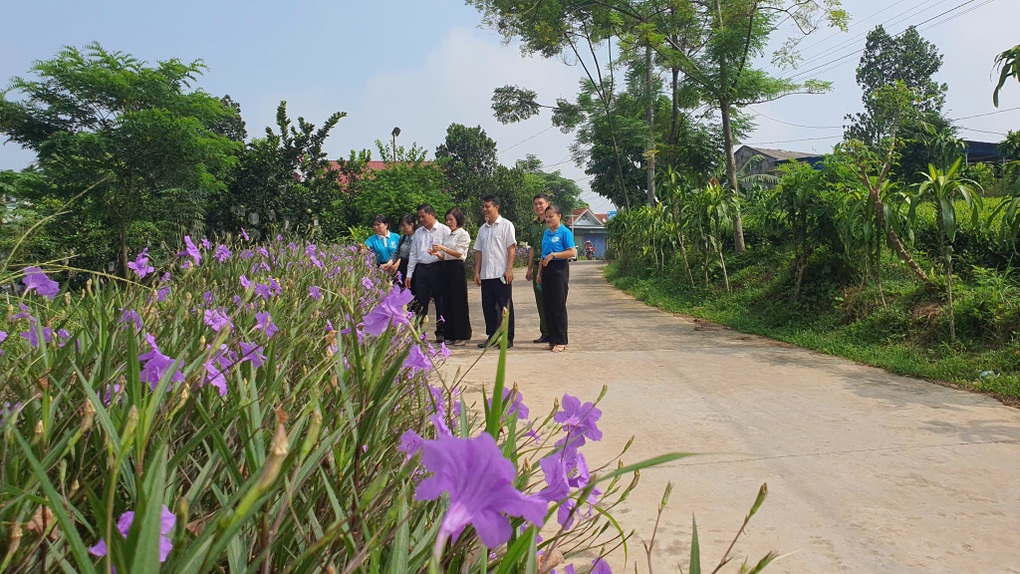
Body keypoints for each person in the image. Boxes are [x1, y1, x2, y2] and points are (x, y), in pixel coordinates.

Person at [473, 195, 517, 348]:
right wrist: (477, 272)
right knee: (488, 307)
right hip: (486, 274)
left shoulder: (506, 225)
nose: (485, 209)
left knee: (505, 306)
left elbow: (511, 248)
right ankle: (491, 336)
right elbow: (479, 252)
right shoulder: (482, 229)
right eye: (483, 206)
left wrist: (509, 269)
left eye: (488, 206)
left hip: (501, 274)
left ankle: (507, 338)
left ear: (496, 207)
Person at [406, 204, 450, 342]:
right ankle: (420, 332)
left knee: (440, 301)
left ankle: (441, 332)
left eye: (423, 216)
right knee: (420, 302)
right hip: (422, 270)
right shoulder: (418, 233)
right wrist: (409, 274)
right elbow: (413, 254)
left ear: (431, 215)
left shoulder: (444, 230)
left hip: (438, 268)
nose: (420, 219)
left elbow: (449, 250)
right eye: (419, 217)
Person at [537, 204, 576, 353]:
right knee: (548, 306)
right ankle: (552, 340)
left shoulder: (565, 232)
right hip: (546, 269)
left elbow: (572, 252)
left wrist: (554, 255)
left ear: (559, 216)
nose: (548, 219)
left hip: (559, 269)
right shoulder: (546, 233)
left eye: (551, 216)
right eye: (546, 217)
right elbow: (543, 255)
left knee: (558, 305)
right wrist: (539, 273)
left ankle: (561, 340)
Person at [430, 207, 472, 345]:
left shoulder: (463, 234)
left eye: (451, 219)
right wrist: (437, 253)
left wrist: (443, 248)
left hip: (457, 268)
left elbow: (459, 253)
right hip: (446, 267)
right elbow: (445, 256)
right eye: (447, 220)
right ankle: (451, 334)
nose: (448, 222)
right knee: (447, 301)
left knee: (459, 301)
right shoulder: (448, 236)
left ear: (458, 219)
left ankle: (462, 335)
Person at [525, 193, 551, 344]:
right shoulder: (533, 226)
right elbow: (532, 248)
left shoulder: (552, 223)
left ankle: (554, 332)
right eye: (535, 204)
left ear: (548, 204)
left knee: (552, 300)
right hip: (536, 267)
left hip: (550, 266)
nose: (538, 206)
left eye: (541, 203)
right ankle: (545, 332)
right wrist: (529, 269)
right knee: (540, 300)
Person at [382, 214, 416, 285]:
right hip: (402, 267)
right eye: (401, 226)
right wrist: (389, 264)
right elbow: (397, 253)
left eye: (404, 226)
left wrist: (398, 263)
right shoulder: (402, 238)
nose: (402, 228)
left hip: (414, 268)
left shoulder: (418, 238)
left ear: (411, 225)